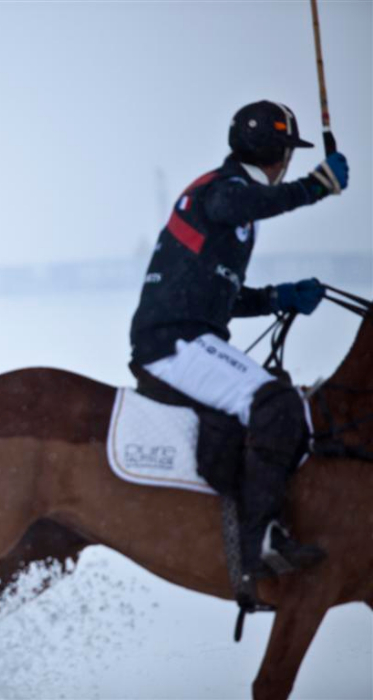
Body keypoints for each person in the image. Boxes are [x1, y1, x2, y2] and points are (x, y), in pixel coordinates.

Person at [129, 101, 349, 578]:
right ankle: (259, 539)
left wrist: (276, 297)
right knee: (278, 405)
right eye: (288, 153)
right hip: (174, 344)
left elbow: (217, 294)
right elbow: (236, 203)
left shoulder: (232, 202)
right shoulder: (225, 191)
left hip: (184, 336)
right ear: (280, 156)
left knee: (278, 396)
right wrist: (315, 187)